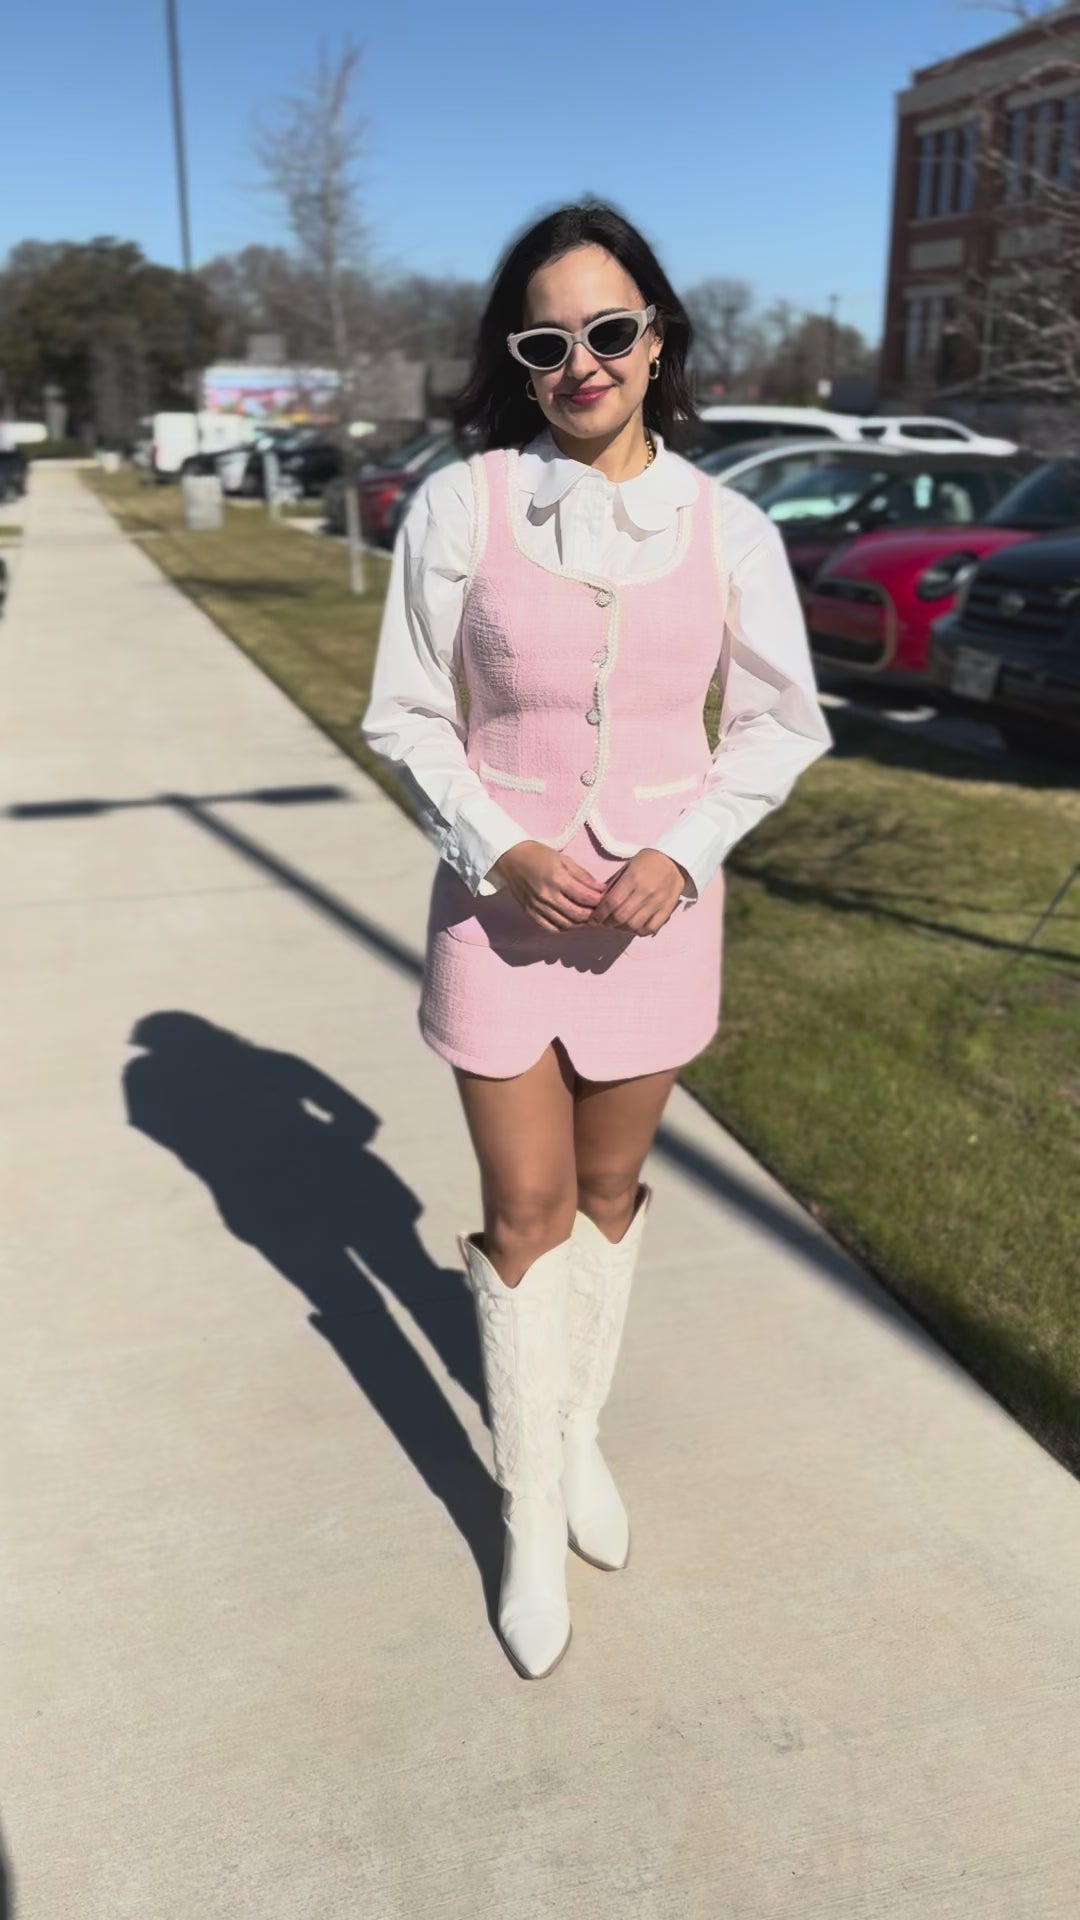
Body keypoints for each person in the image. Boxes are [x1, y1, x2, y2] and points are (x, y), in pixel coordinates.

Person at [361, 200, 833, 1680]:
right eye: (550, 339)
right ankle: (525, 1505)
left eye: (611, 330)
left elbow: (775, 728)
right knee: (526, 1209)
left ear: (659, 339)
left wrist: (683, 856)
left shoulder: (731, 526)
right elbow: (406, 713)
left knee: (615, 1188)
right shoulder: (464, 505)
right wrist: (495, 845)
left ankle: (576, 1435)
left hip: (654, 927)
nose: (585, 361)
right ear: (520, 357)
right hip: (497, 920)